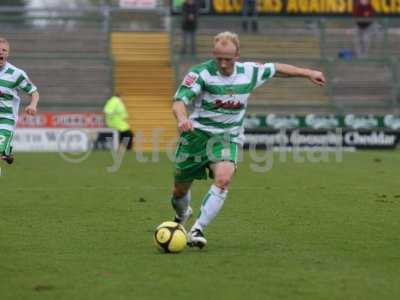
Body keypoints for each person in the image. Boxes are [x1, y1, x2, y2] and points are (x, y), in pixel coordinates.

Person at [171, 31, 326, 248]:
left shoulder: (249, 72)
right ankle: (183, 213)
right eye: (219, 58)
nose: (223, 64)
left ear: (238, 55)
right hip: (196, 136)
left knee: (223, 179)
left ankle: (197, 229)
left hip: (228, 137)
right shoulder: (201, 74)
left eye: (228, 59)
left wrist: (308, 72)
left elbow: (277, 68)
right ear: (214, 55)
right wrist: (181, 118)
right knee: (179, 192)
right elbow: (179, 102)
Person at [0, 37, 39, 165]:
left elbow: (34, 92)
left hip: (6, 119)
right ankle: (7, 151)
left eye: (4, 50)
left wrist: (33, 105)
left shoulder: (16, 74)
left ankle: (4, 149)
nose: (1, 52)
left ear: (8, 53)